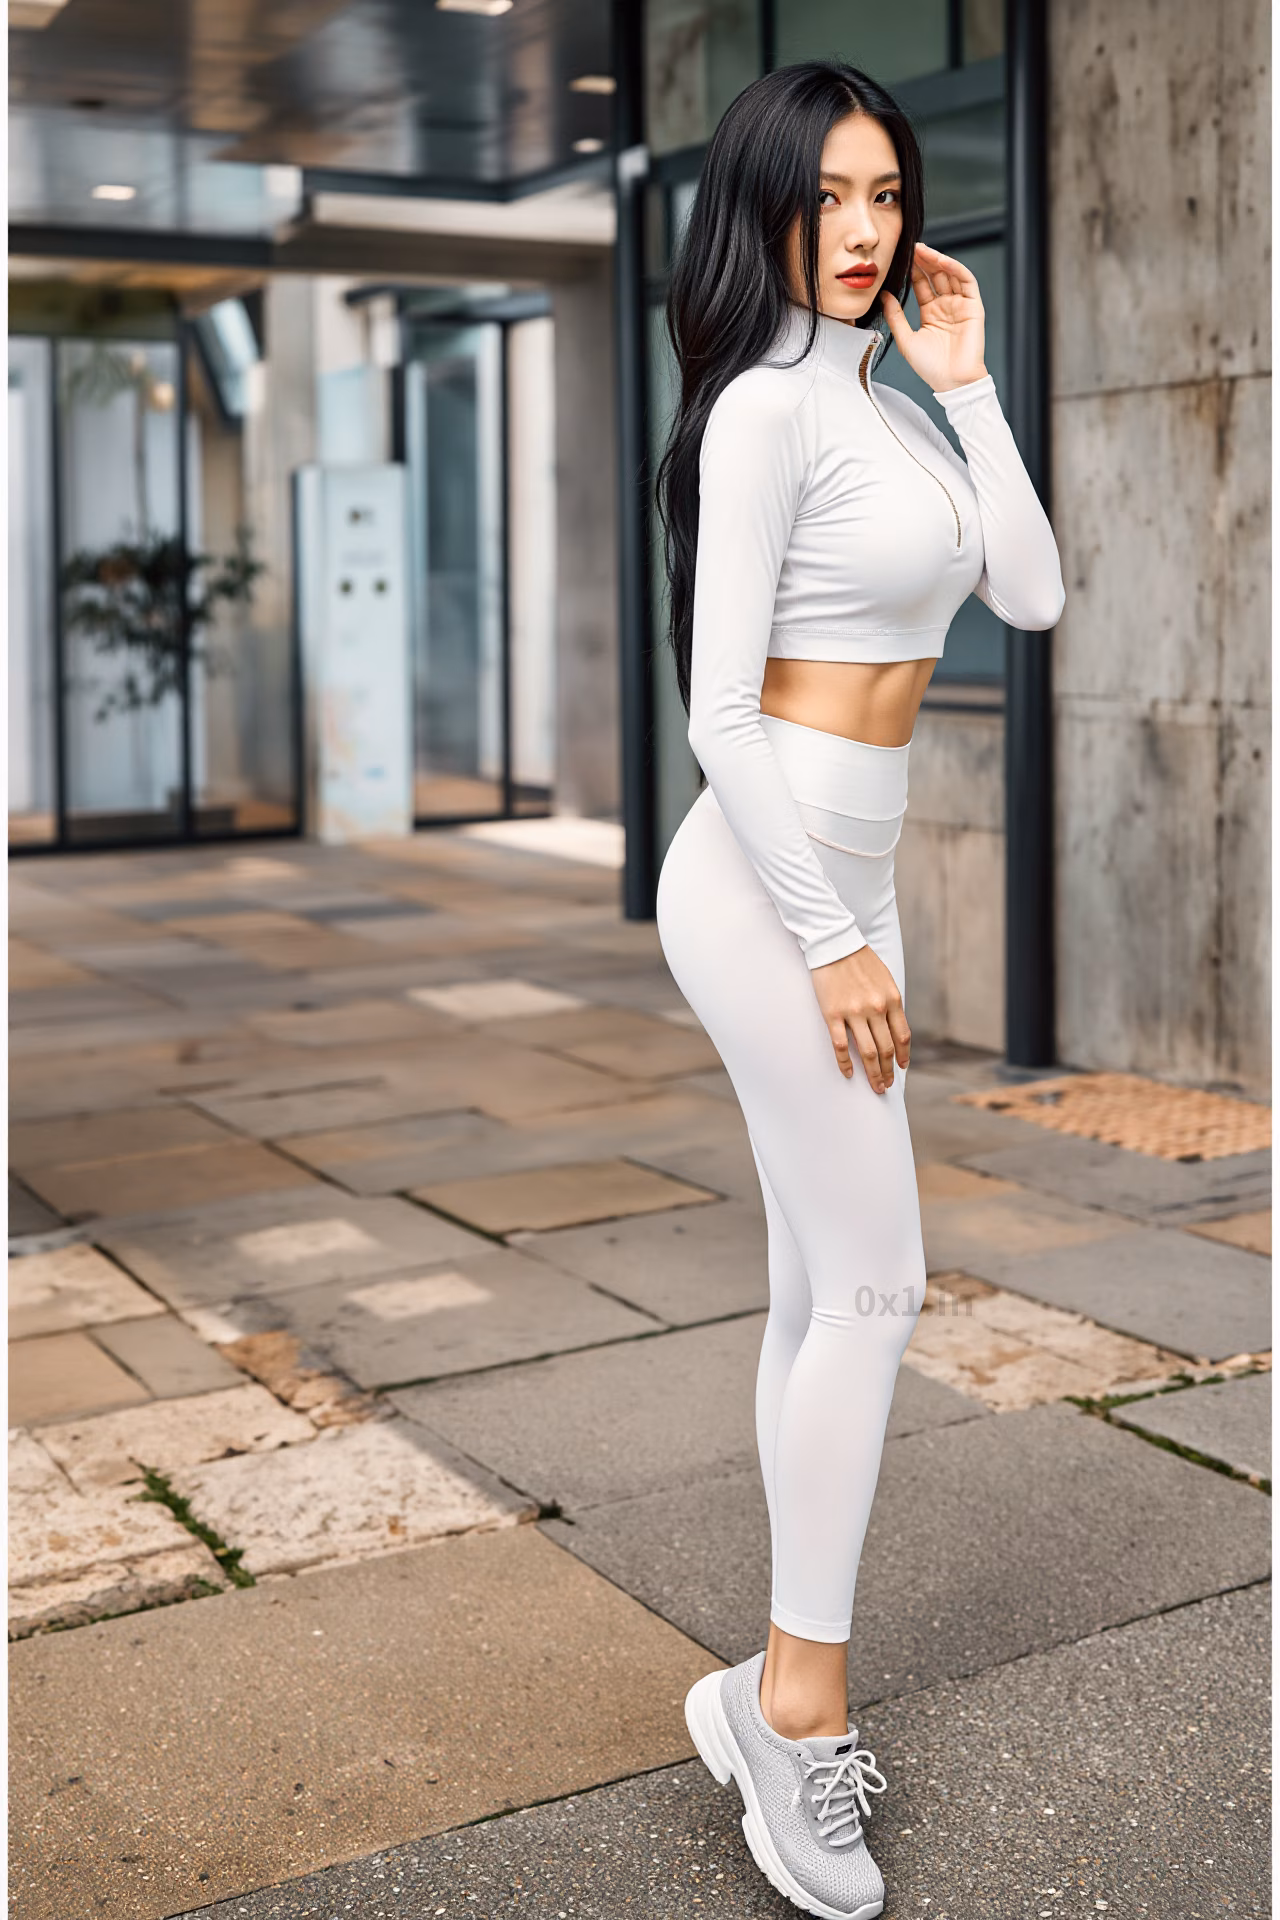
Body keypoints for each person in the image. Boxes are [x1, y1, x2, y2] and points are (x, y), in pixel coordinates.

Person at [655, 59, 1065, 1920]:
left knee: (817, 1290)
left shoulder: (890, 404)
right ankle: (794, 1708)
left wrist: (969, 385)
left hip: (850, 879)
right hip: (768, 887)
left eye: (886, 193)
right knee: (884, 1286)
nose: (862, 228)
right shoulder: (760, 412)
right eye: (826, 194)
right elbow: (719, 714)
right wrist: (827, 937)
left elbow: (1033, 595)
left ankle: (762, 1687)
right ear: (762, 204)